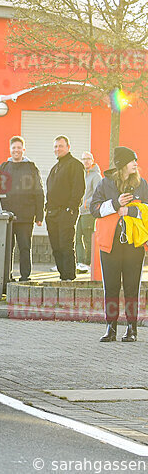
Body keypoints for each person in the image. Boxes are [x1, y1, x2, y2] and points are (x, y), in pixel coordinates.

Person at [90, 146, 148, 342]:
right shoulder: (105, 184)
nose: (136, 164)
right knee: (111, 287)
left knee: (132, 288)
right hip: (110, 245)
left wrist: (130, 211)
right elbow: (94, 209)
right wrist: (116, 204)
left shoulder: (142, 184)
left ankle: (132, 329)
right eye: (133, 160)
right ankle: (110, 328)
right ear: (123, 164)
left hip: (134, 245)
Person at [0, 136, 45, 281]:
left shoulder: (31, 167)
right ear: (10, 149)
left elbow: (39, 192)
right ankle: (7, 276)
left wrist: (39, 216)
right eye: (14, 148)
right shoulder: (3, 168)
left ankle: (25, 276)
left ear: (23, 150)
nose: (16, 150)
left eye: (19, 148)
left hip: (26, 217)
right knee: (7, 248)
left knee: (25, 247)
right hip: (6, 217)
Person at [45, 135, 86, 280]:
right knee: (56, 247)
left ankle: (69, 277)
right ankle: (63, 276)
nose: (58, 149)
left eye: (61, 146)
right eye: (55, 146)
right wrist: (46, 209)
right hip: (52, 214)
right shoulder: (55, 167)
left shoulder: (75, 165)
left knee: (66, 245)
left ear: (68, 147)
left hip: (66, 213)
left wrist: (71, 208)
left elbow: (78, 188)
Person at [75, 151, 102, 272]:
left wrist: (86, 203)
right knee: (77, 238)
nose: (86, 161)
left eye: (88, 159)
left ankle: (88, 263)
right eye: (83, 159)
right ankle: (80, 262)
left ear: (92, 160)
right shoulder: (81, 174)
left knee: (88, 238)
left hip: (89, 213)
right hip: (79, 212)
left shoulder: (96, 176)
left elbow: (98, 194)